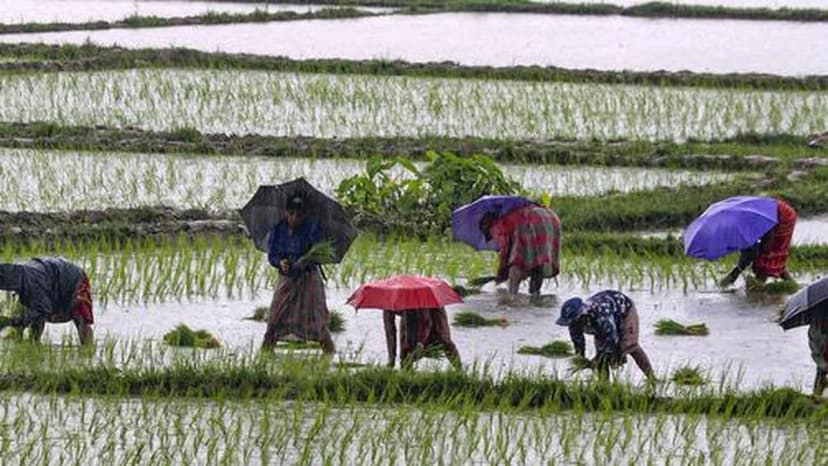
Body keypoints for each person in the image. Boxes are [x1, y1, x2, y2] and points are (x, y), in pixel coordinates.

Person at [261, 195, 335, 353]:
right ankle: (265, 357)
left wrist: (305, 260)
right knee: (275, 318)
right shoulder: (278, 229)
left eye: (299, 215)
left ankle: (329, 354)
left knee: (317, 321)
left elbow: (319, 253)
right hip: (287, 279)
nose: (294, 218)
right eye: (291, 213)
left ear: (304, 215)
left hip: (308, 279)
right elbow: (272, 255)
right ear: (285, 212)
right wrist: (280, 262)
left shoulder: (312, 228)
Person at [556, 290, 654, 379]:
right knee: (601, 355)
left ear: (582, 315)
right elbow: (578, 343)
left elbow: (612, 339)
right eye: (571, 322)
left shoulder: (601, 315)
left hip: (624, 311)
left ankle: (652, 378)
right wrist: (581, 359)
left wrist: (597, 359)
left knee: (629, 345)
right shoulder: (574, 323)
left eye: (574, 321)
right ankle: (604, 386)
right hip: (604, 322)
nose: (573, 324)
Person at [0, 257, 93, 345]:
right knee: (25, 315)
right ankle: (32, 344)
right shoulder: (20, 278)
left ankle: (88, 350)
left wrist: (9, 322)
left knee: (81, 318)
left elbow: (43, 310)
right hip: (47, 276)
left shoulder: (33, 285)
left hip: (73, 279)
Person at [478, 204, 560, 296]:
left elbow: (506, 254)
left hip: (530, 219)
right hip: (550, 218)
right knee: (538, 262)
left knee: (516, 263)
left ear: (487, 227)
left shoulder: (496, 227)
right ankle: (535, 295)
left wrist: (501, 275)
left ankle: (513, 296)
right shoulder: (510, 215)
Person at [719, 199, 797, 287]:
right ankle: (793, 285)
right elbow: (747, 251)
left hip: (782, 216)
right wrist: (739, 269)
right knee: (771, 257)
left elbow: (753, 249)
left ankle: (758, 286)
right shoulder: (740, 225)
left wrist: (767, 244)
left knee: (767, 256)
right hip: (773, 214)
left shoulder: (746, 222)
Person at [383, 307, 461, 370]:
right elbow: (389, 330)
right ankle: (406, 375)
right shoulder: (390, 299)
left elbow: (427, 322)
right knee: (405, 351)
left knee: (444, 339)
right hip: (409, 313)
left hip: (433, 310)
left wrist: (420, 343)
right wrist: (391, 359)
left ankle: (460, 371)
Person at [809, 307, 827, 396]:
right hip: (823, 360)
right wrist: (824, 365)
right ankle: (817, 395)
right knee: (818, 390)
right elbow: (815, 352)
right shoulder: (815, 328)